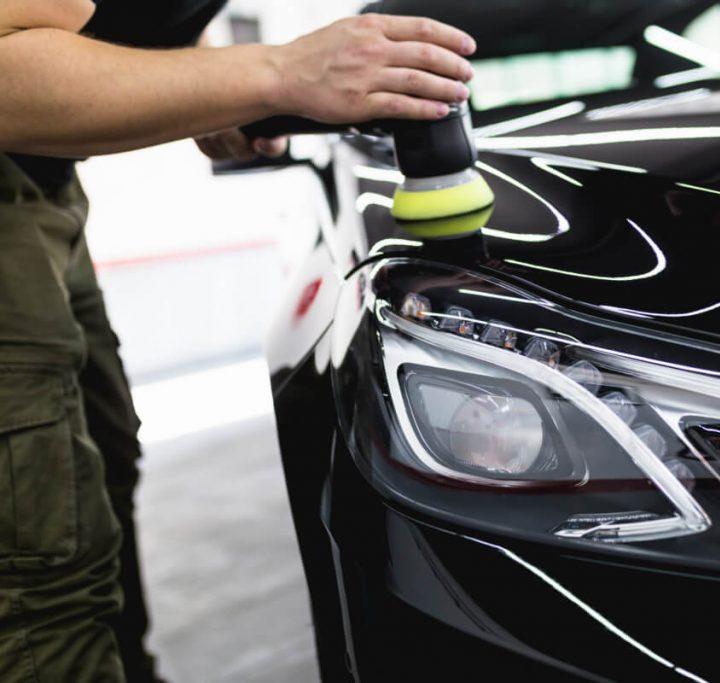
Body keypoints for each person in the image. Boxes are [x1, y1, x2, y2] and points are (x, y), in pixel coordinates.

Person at [0, 1, 476, 680]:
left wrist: (201, 79)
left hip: (44, 173)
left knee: (93, 482)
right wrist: (272, 72)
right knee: (33, 567)